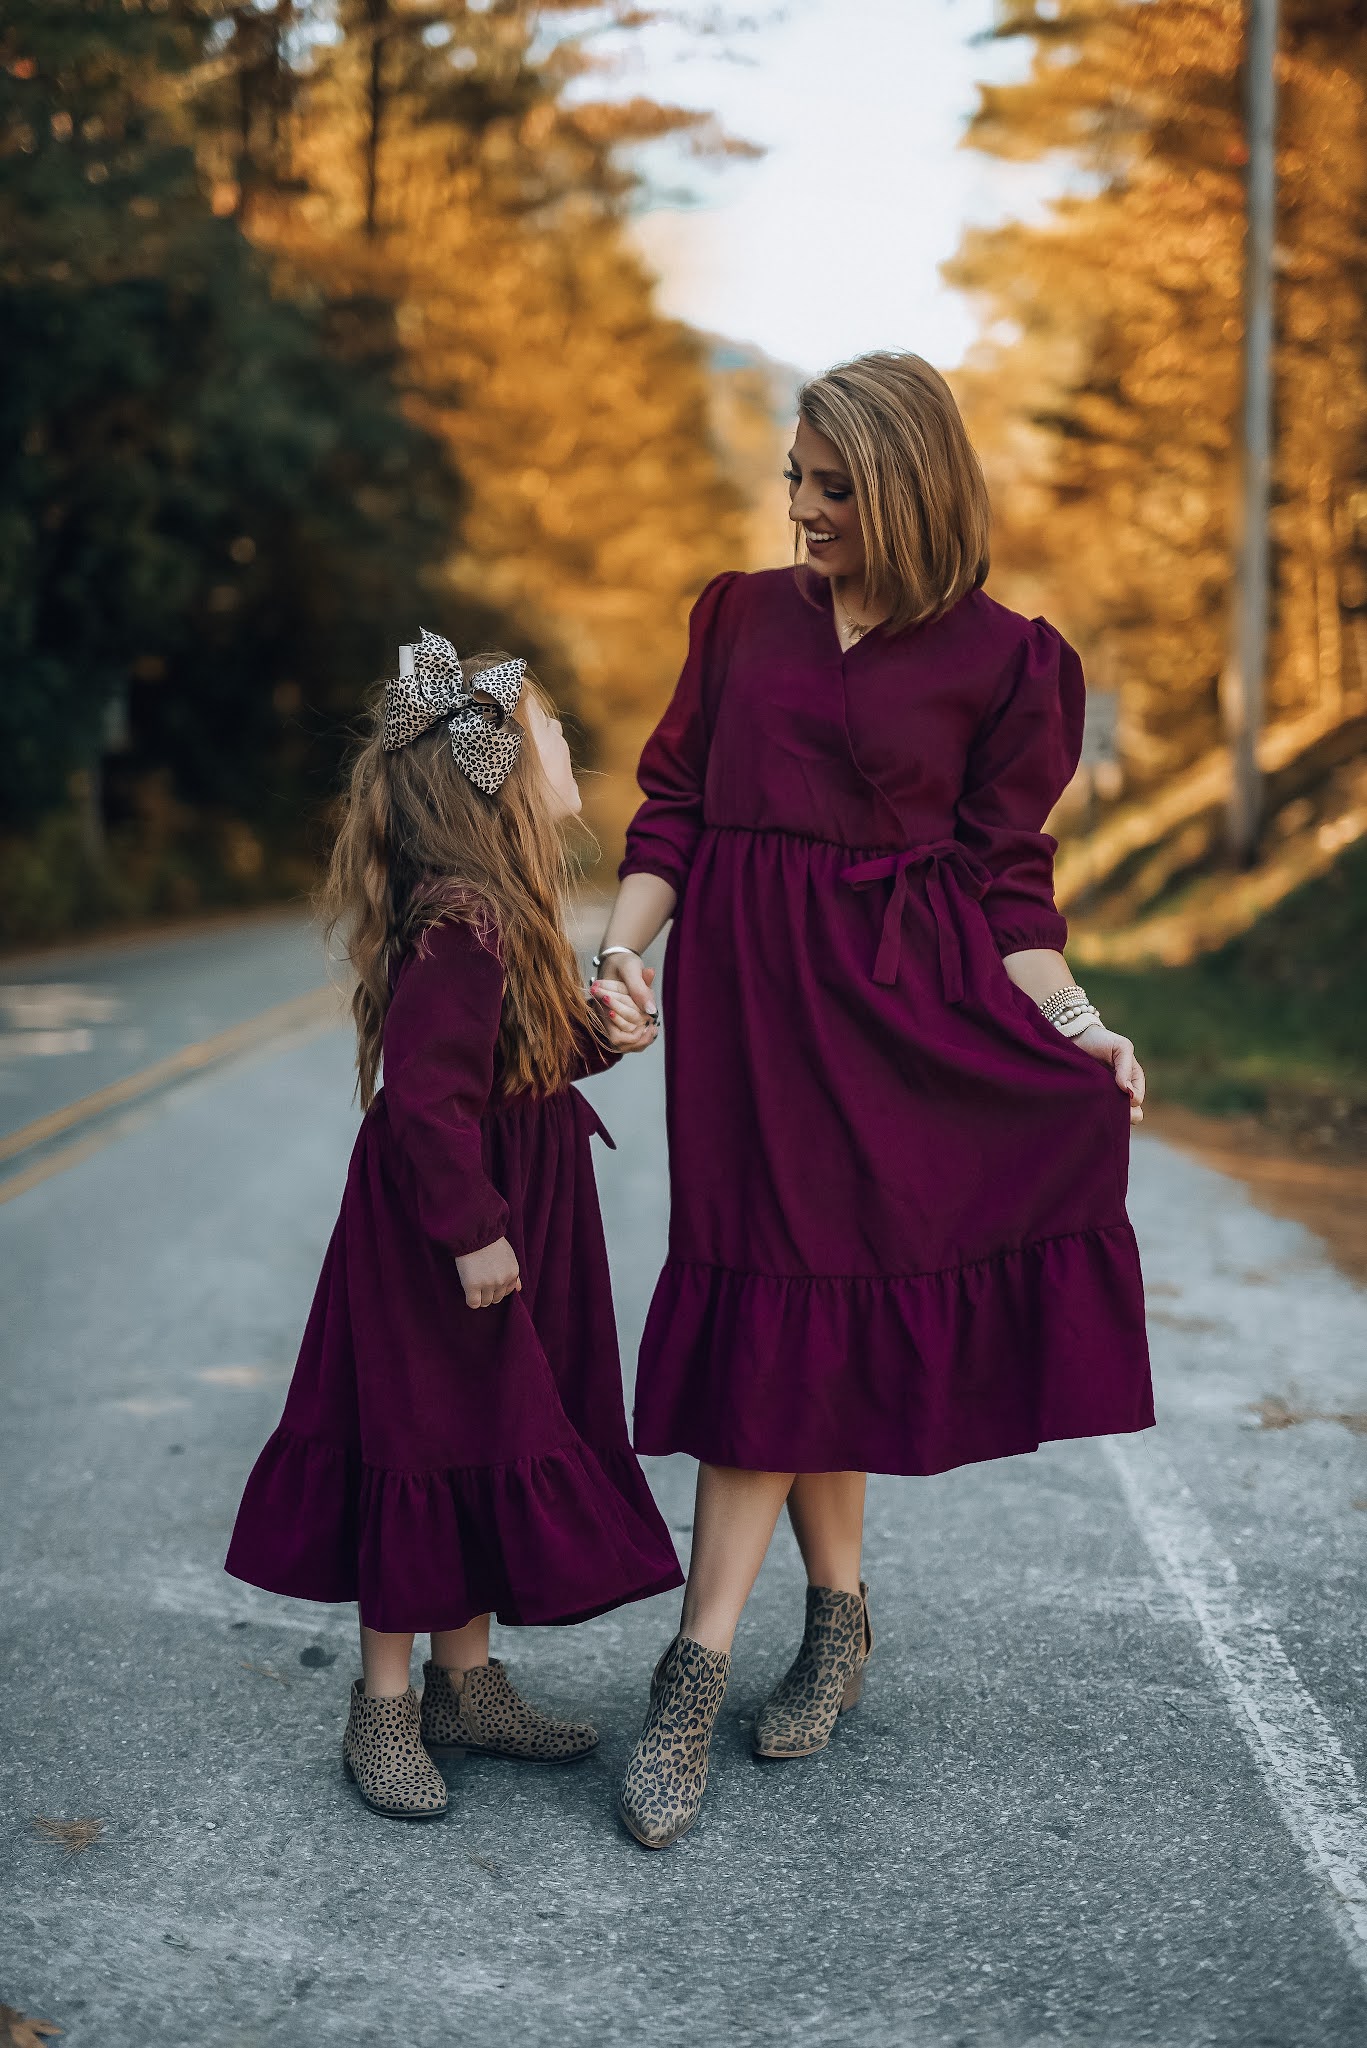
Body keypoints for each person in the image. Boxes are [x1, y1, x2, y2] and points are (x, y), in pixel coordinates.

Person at [597, 351, 1154, 1851]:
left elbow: (1006, 889)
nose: (800, 510)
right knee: (779, 1300)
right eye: (794, 479)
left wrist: (1079, 1027)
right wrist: (616, 957)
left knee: (807, 1306)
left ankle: (693, 1670)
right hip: (744, 1019)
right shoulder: (733, 616)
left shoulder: (1004, 658)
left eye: (832, 489)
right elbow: (672, 809)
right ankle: (834, 1619)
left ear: (907, 488)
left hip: (902, 1021)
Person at [226, 631, 680, 1821]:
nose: (570, 739)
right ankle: (384, 1703)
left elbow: (501, 1061)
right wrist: (476, 1229)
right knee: (419, 1439)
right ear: (501, 777)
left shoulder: (499, 914)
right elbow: (427, 1101)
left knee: (487, 1426)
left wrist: (598, 1035)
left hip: (490, 1207)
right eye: (550, 730)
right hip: (443, 1235)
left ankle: (465, 1680)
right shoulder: (461, 925)